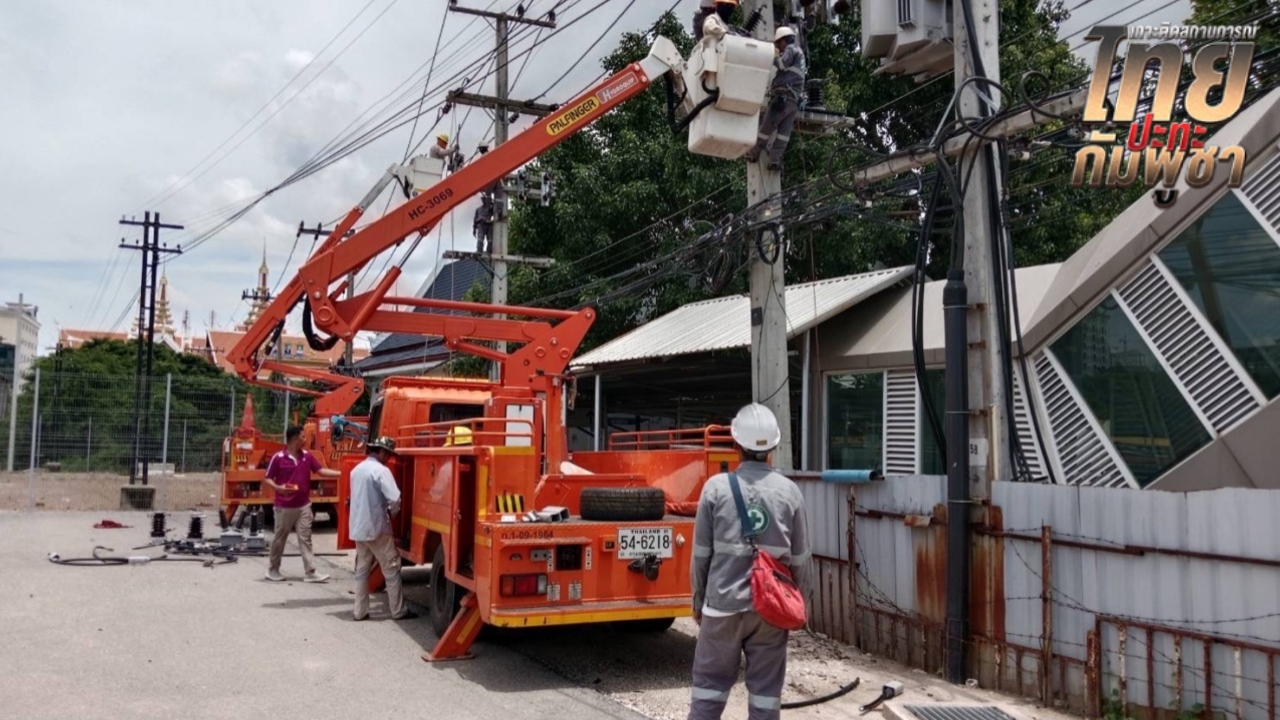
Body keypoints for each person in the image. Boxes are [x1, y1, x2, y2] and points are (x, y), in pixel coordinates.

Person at [688, 403, 811, 720]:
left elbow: (701, 554)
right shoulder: (790, 492)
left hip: (722, 604)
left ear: (734, 443)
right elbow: (800, 559)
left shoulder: (715, 488)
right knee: (765, 696)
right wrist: (797, 607)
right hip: (769, 610)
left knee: (708, 689)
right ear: (773, 446)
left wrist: (700, 601)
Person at [349, 436, 418, 621]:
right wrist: (392, 514)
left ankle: (359, 611)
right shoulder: (381, 471)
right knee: (392, 567)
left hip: (358, 528)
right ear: (380, 452)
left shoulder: (356, 470)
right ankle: (398, 610)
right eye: (387, 453)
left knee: (362, 570)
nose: (388, 457)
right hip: (377, 528)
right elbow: (395, 498)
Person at [263, 425, 340, 583]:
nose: (306, 439)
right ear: (294, 439)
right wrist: (279, 488)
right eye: (303, 437)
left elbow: (321, 471)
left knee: (305, 538)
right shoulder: (278, 458)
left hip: (304, 505)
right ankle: (273, 569)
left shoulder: (307, 456)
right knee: (280, 538)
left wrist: (342, 473)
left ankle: (310, 571)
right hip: (284, 507)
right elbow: (267, 478)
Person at [744, 26, 807, 171]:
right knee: (784, 134)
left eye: (779, 43)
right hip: (793, 102)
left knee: (766, 128)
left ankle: (752, 153)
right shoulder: (800, 53)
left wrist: (771, 54)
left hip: (782, 98)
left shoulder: (791, 49)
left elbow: (781, 64)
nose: (778, 46)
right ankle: (774, 160)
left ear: (785, 40)